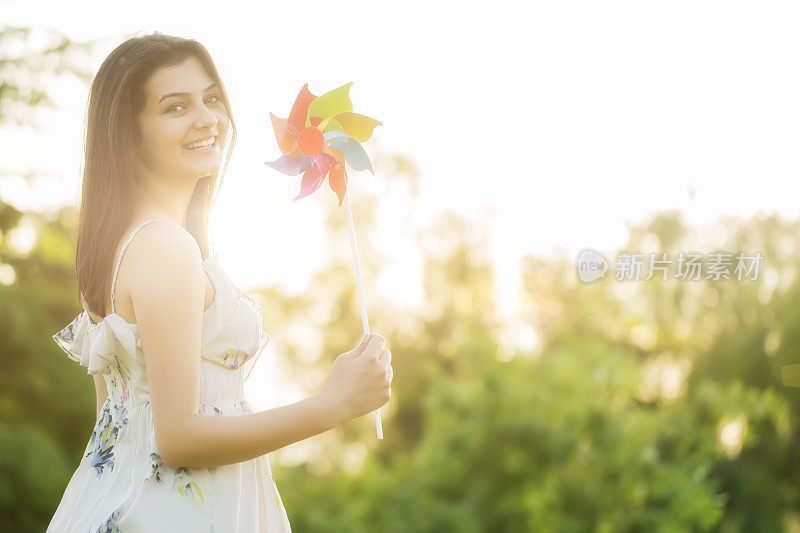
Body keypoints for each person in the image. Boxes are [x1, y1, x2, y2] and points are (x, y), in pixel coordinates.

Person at [47, 32, 393, 532]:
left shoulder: (115, 248)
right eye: (176, 107)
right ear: (129, 131)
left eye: (211, 98)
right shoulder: (166, 248)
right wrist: (332, 404)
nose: (207, 117)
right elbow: (178, 438)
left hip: (120, 502)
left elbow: (112, 425)